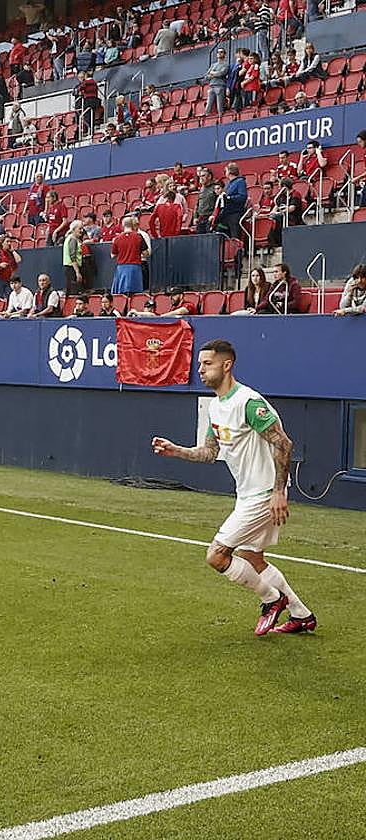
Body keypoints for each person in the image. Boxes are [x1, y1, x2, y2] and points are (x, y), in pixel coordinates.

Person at [152, 339, 316, 636]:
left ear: (227, 365)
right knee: (253, 558)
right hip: (248, 494)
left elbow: (284, 444)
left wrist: (278, 492)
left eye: (207, 364)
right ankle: (301, 615)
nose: (200, 369)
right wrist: (176, 450)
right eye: (199, 364)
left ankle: (272, 600)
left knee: (216, 555)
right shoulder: (216, 407)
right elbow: (209, 453)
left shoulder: (248, 403)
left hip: (265, 494)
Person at [110, 217, 147, 295]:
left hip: (122, 268)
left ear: (123, 225)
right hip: (135, 267)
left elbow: (113, 255)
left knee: (121, 294)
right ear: (132, 225)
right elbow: (145, 253)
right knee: (136, 294)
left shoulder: (117, 239)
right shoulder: (139, 236)